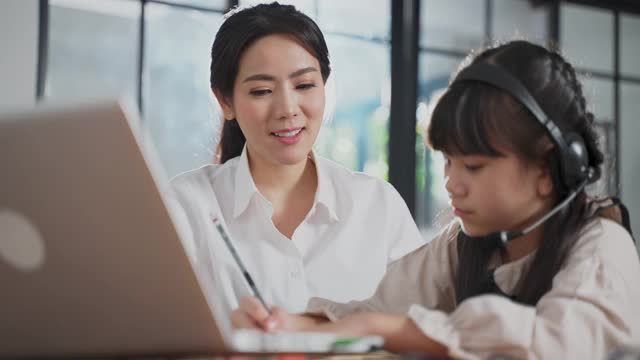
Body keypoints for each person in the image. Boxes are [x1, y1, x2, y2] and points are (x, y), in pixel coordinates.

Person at [231, 40, 640, 359]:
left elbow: (560, 347)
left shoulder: (601, 246)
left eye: (474, 167)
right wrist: (292, 323)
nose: (451, 183)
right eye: (448, 161)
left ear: (548, 170)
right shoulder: (465, 244)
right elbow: (374, 309)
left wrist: (386, 329)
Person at [167, 2, 425, 319]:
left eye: (304, 85)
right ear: (225, 101)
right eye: (261, 91)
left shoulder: (378, 205)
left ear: (325, 88)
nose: (287, 109)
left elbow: (422, 329)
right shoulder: (187, 204)